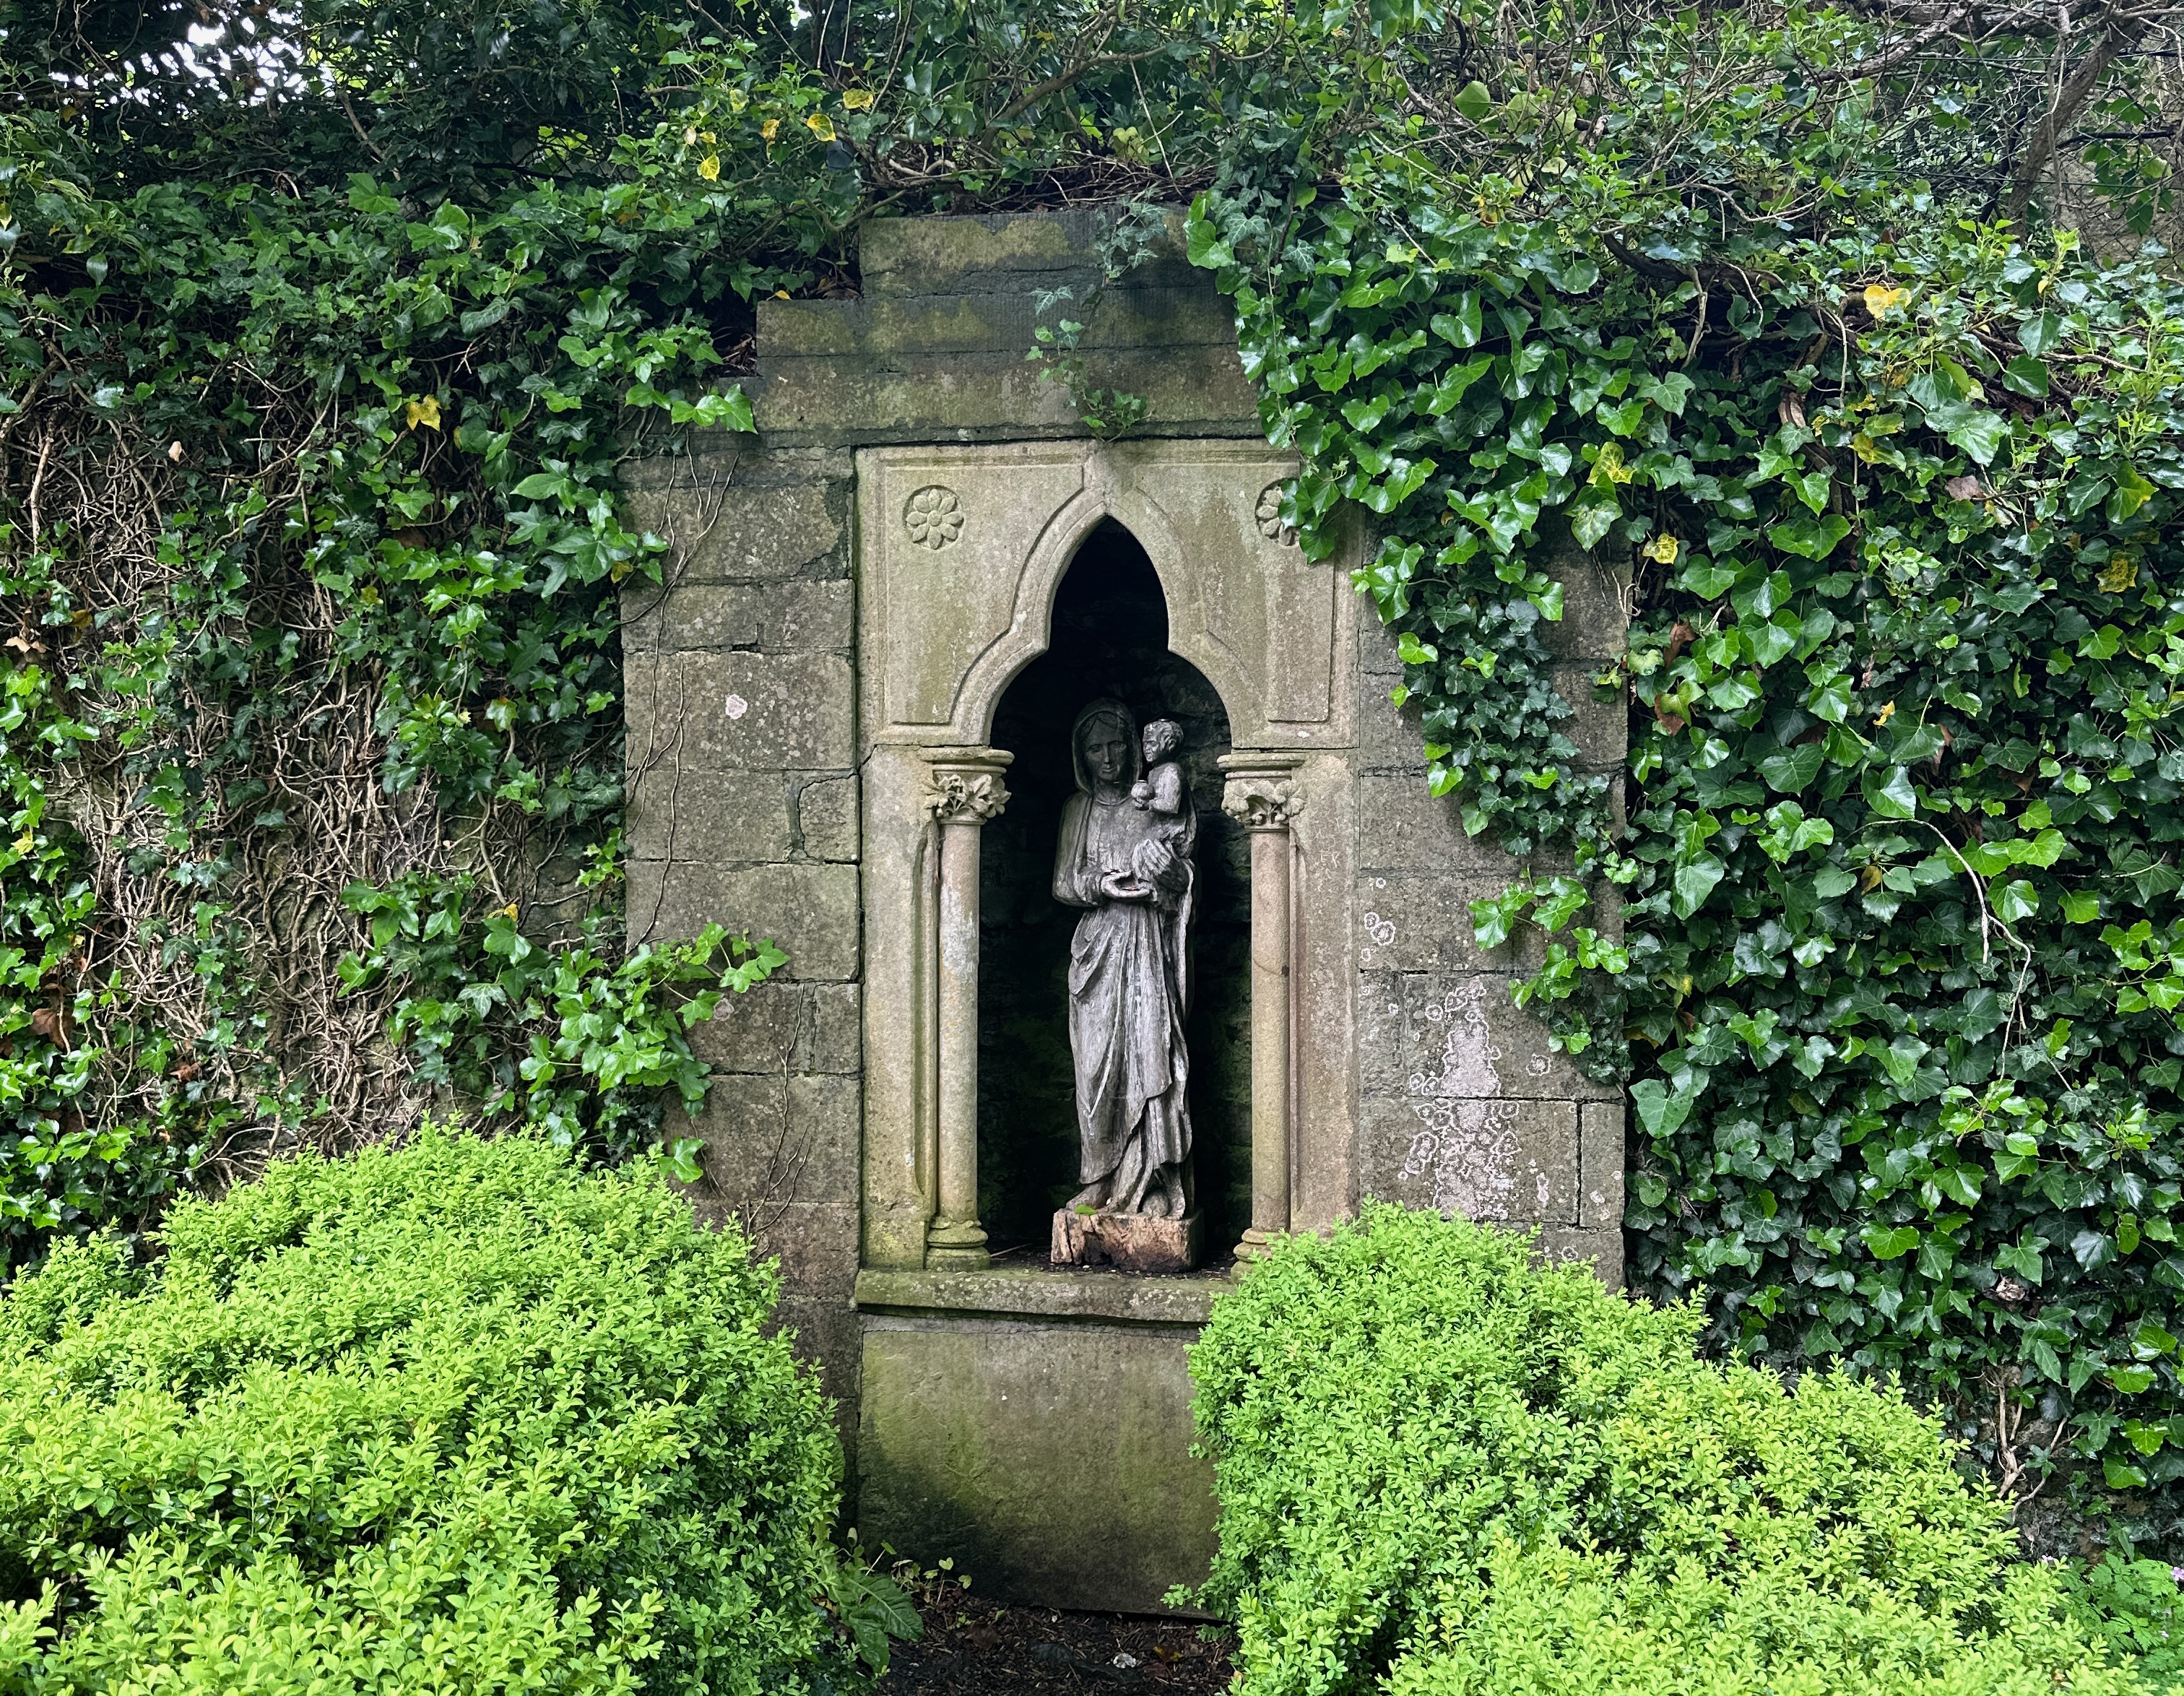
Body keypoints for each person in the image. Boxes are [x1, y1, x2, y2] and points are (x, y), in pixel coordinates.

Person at [1051, 699, 1195, 1219]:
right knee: (1095, 1069)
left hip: (1150, 947)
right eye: (1095, 749)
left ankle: (1153, 1181)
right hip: (1098, 948)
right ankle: (1101, 1180)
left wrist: (1171, 875)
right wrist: (1101, 883)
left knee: (1150, 1058)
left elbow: (1187, 883)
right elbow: (1063, 882)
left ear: (1134, 748)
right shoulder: (1079, 809)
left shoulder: (1157, 802)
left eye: (1115, 745)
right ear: (1081, 756)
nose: (1107, 758)